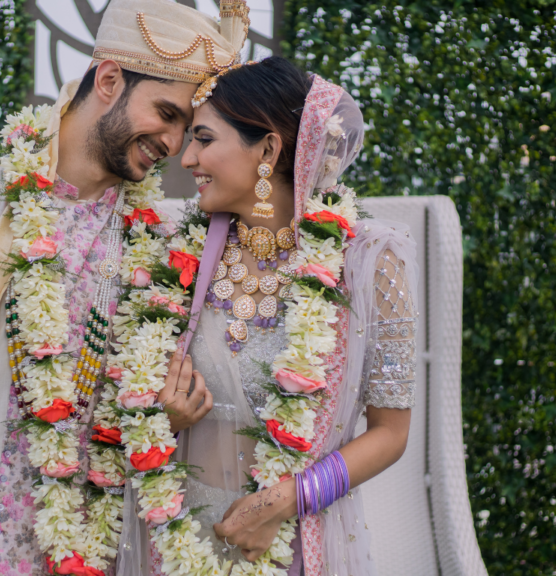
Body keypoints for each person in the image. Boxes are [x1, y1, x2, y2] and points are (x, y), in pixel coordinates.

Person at [0, 2, 251, 575]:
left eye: (187, 127)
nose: (175, 144)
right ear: (108, 79)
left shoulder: (157, 242)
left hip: (104, 550)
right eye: (166, 113)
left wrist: (162, 417)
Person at [143, 56, 418, 574]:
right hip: (176, 536)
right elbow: (144, 401)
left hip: (289, 540)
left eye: (203, 139)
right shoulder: (181, 253)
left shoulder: (370, 261)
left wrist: (282, 502)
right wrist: (165, 417)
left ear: (268, 148)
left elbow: (391, 433)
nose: (187, 159)